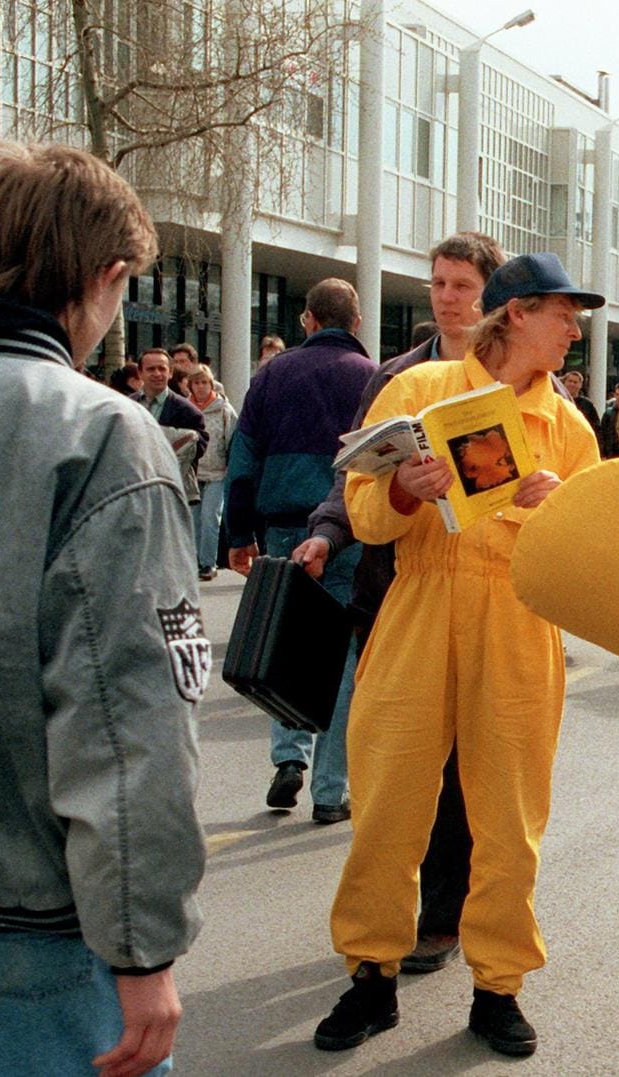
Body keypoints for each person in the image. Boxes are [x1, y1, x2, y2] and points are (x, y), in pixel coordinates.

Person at [315, 252, 602, 1058]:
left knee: (509, 816)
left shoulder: (571, 428)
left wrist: (560, 515)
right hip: (419, 600)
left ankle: (498, 986)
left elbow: (588, 562)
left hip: (517, 620)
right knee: (387, 801)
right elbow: (367, 515)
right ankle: (371, 975)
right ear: (515, 314)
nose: (574, 330)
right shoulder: (416, 393)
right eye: (562, 313)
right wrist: (406, 487)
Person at [0, 140, 205, 1077]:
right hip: (34, 933)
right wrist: (142, 946)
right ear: (106, 278)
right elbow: (126, 719)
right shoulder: (101, 433)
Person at [295, 230, 509, 975]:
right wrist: (325, 532)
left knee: (461, 775)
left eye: (463, 285)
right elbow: (351, 472)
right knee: (391, 763)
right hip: (391, 589)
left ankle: (444, 916)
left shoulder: (506, 384)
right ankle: (380, 925)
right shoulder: (394, 376)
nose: (448, 298)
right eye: (439, 283)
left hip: (483, 601)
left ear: (493, 294)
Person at [226, 278, 377, 823]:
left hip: (285, 525)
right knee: (340, 657)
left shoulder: (272, 375)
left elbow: (241, 460)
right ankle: (331, 792)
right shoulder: (371, 379)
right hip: (347, 529)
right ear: (356, 323)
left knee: (284, 642)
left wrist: (238, 534)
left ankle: (289, 756)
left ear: (308, 319)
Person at [184, 364, 238, 581]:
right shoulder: (185, 409)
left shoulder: (224, 410)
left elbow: (233, 439)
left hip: (217, 471)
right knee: (193, 520)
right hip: (192, 474)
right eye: (196, 383)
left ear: (211, 383)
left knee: (210, 518)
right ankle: (195, 561)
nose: (200, 387)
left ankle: (208, 562)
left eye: (204, 382)